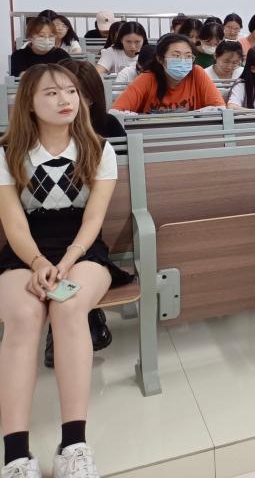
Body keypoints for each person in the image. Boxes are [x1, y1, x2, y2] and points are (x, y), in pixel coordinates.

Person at [0, 65, 135, 478]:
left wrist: (67, 261)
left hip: (83, 250)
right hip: (26, 252)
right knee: (23, 315)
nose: (65, 101)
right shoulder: (6, 152)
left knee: (69, 306)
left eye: (71, 92)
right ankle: (15, 456)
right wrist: (39, 262)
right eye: (51, 93)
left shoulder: (99, 148)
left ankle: (73, 445)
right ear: (28, 103)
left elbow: (94, 219)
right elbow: (14, 224)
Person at [50, 60, 127, 368]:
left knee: (81, 252)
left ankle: (77, 316)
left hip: (100, 218)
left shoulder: (107, 128)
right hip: (48, 229)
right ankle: (71, 319)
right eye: (61, 92)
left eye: (82, 95)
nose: (71, 102)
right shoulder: (37, 135)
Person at [111, 34, 225, 114]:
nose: (182, 60)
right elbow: (116, 111)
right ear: (160, 59)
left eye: (188, 56)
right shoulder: (147, 78)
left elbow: (220, 108)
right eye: (176, 55)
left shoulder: (197, 73)